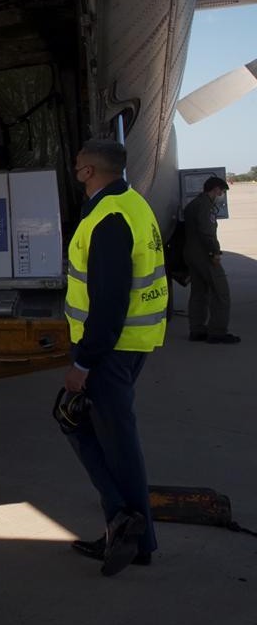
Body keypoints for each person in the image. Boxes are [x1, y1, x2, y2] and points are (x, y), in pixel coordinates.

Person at [62, 139, 167, 576]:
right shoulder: (132, 203)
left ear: (87, 171)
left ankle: (129, 529)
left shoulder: (108, 218)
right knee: (95, 432)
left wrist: (83, 363)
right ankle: (127, 532)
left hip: (109, 350)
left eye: (77, 166)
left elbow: (108, 301)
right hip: (130, 344)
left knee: (110, 443)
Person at [182, 176, 239, 344]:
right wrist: (215, 252)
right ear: (215, 189)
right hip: (204, 254)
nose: (221, 194)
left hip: (191, 253)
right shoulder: (205, 206)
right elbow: (207, 232)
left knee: (199, 292)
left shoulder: (193, 204)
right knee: (221, 292)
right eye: (221, 191)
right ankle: (218, 332)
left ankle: (197, 330)